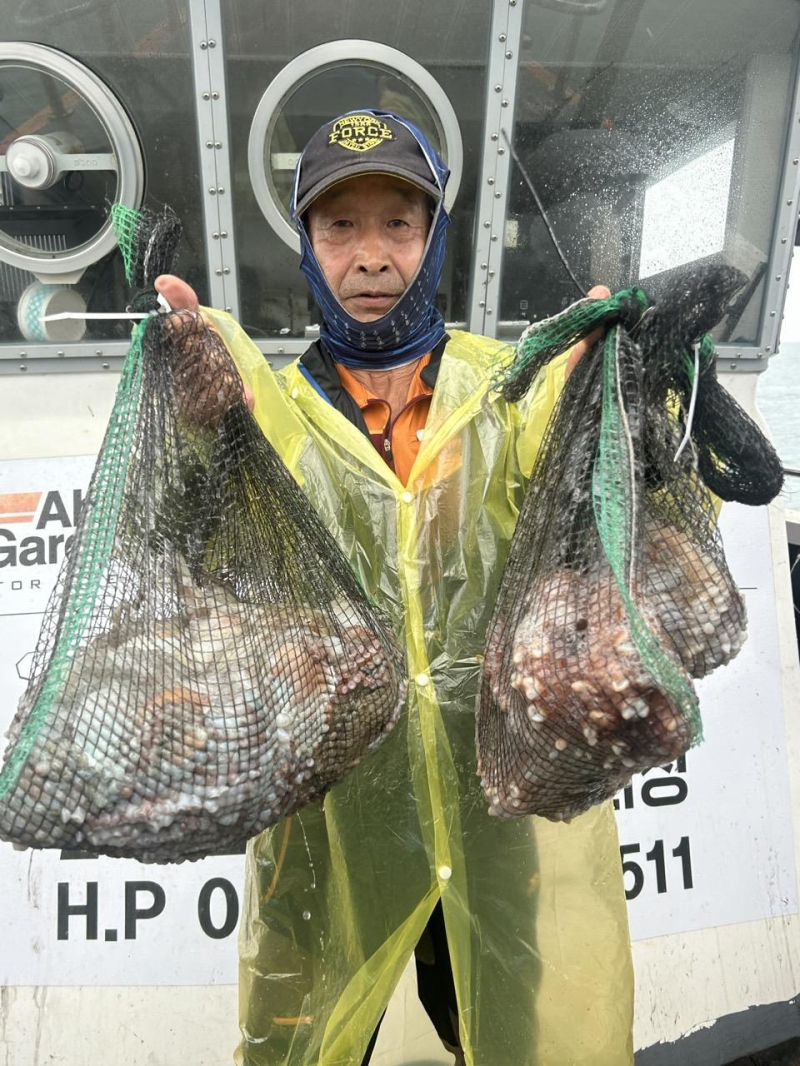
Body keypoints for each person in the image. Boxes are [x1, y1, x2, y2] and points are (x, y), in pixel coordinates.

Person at [156, 109, 633, 1066]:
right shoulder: (269, 406)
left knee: (505, 1024)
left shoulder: (512, 383)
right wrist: (197, 439)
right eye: (340, 226)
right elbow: (194, 553)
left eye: (398, 224)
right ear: (307, 243)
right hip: (328, 809)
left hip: (487, 794)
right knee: (312, 1035)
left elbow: (579, 492)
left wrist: (605, 386)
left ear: (435, 236)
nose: (370, 256)